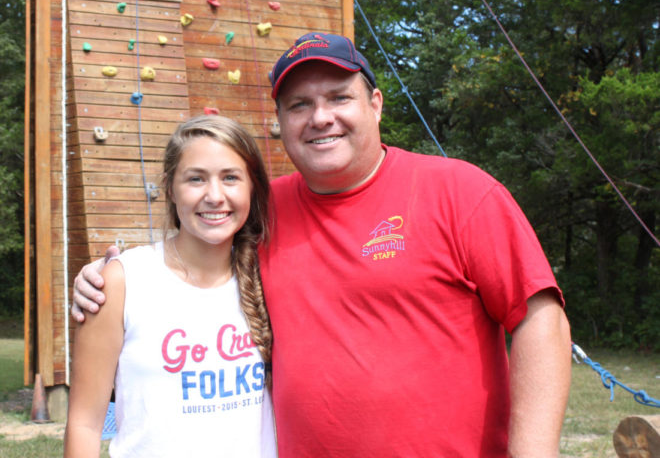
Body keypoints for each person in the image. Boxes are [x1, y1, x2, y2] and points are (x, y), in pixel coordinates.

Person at [73, 33, 572, 457]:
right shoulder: (264, 209)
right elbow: (195, 241)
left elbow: (539, 316)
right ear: (281, 120)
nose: (320, 117)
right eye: (300, 105)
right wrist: (104, 277)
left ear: (375, 104)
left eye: (338, 97)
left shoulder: (459, 192)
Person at [64, 115, 277, 458]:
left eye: (231, 178)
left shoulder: (271, 275)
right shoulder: (121, 282)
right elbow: (84, 425)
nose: (214, 196)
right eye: (195, 179)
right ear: (169, 187)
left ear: (251, 187)